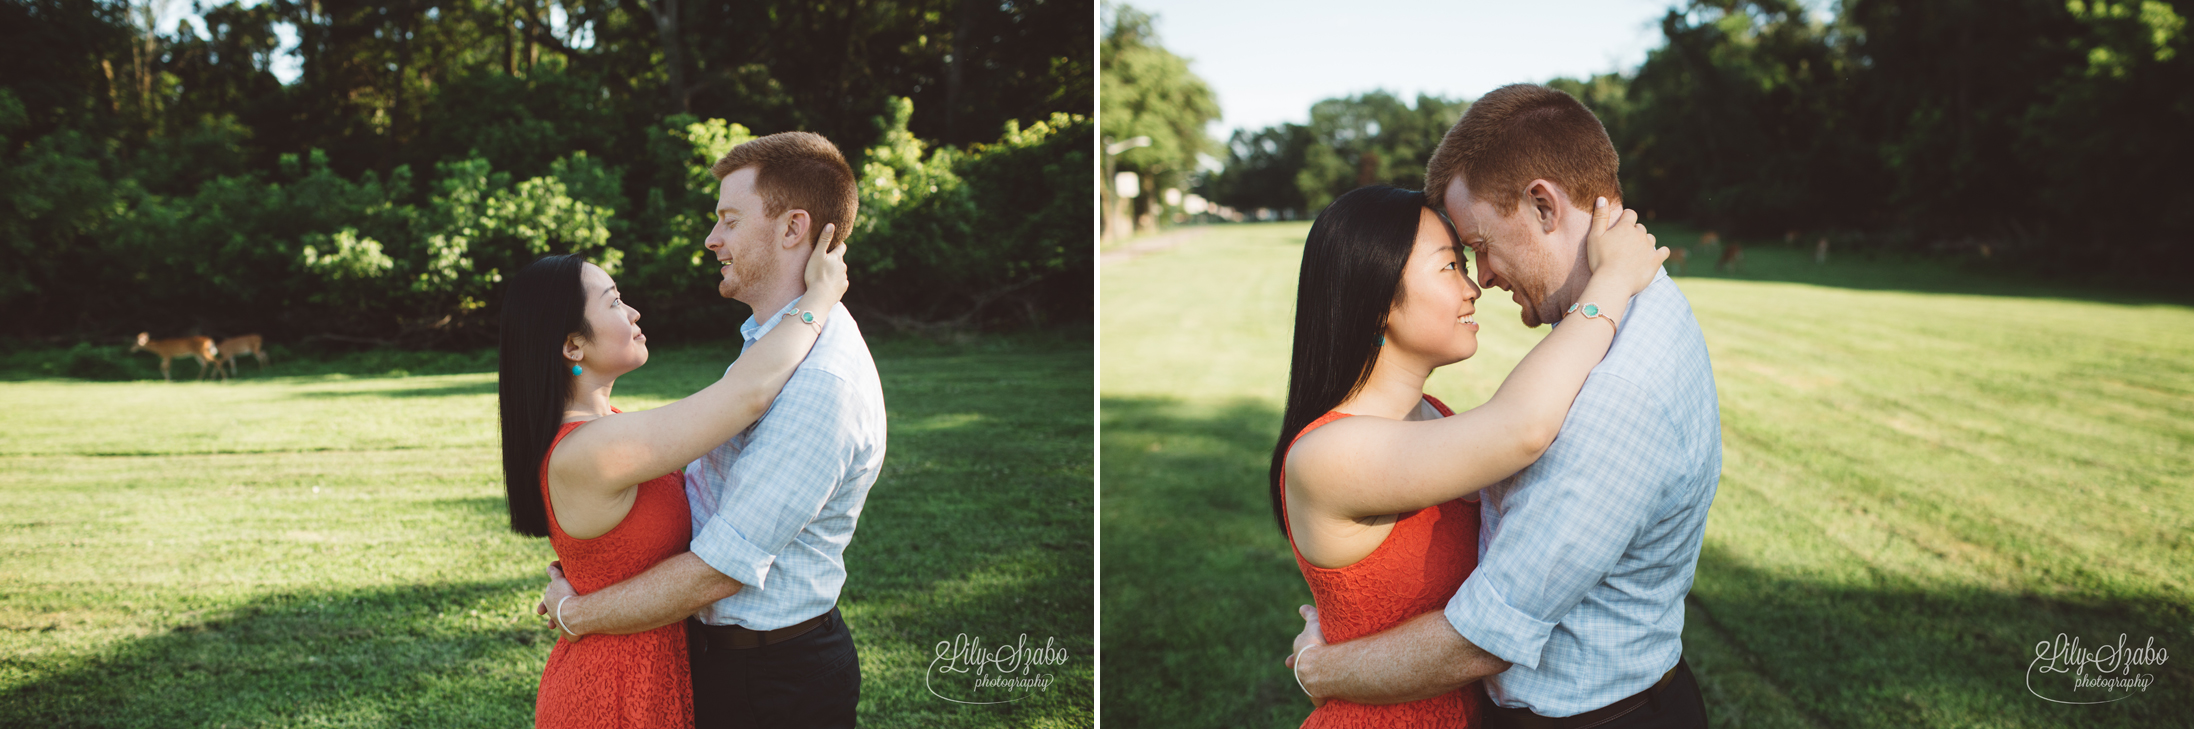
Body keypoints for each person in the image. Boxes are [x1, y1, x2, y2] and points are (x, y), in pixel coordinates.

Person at [1287, 83, 1721, 729]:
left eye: (1478, 248)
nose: (1480, 280)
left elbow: (1485, 630)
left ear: (1543, 205)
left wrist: (1323, 668)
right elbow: (1509, 436)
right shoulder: (1633, 317)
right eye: (1455, 263)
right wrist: (1606, 288)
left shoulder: (1614, 390)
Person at [539, 131, 888, 729]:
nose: (712, 239)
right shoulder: (770, 346)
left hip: (773, 685)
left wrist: (579, 610)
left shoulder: (822, 380)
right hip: (705, 662)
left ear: (791, 228)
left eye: (728, 219)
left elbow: (720, 568)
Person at [500, 227, 846, 728]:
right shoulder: (593, 449)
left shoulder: (607, 427)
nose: (634, 313)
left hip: (653, 672)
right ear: (573, 345)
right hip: (614, 694)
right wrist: (820, 296)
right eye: (615, 302)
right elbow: (744, 395)